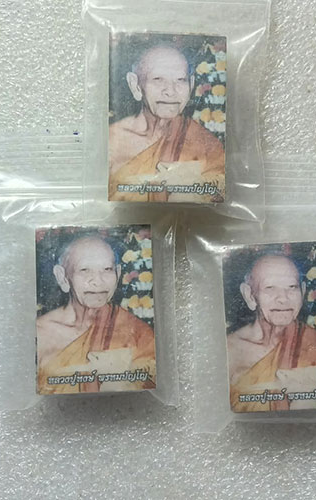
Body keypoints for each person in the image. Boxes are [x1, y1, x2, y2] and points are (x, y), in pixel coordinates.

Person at [36, 235, 156, 395]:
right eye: (84, 270)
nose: (98, 281)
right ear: (62, 277)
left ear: (118, 273)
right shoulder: (41, 333)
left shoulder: (137, 333)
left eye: (107, 270)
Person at [227, 254, 316, 412]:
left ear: (303, 291)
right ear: (249, 295)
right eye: (270, 288)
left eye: (292, 287)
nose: (283, 299)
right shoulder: (229, 349)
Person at [108, 44, 225, 202]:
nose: (170, 91)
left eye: (180, 80)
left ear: (191, 84)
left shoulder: (204, 143)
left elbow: (220, 193)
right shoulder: (112, 140)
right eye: (158, 79)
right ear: (135, 84)